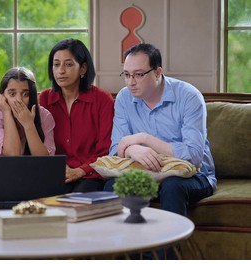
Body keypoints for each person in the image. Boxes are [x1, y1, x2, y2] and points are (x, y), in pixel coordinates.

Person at [103, 43, 216, 217]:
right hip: (144, 173)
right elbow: (115, 150)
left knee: (172, 187)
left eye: (138, 75)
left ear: (157, 72)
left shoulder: (189, 96)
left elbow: (194, 155)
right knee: (112, 186)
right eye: (126, 75)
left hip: (192, 175)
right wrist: (132, 148)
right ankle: (124, 244)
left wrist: (144, 139)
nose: (130, 82)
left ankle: (169, 245)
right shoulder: (124, 98)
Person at [39, 38, 114, 193]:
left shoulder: (102, 100)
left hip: (91, 175)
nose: (60, 70)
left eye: (68, 64)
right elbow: (41, 143)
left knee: (79, 199)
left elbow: (105, 149)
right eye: (56, 64)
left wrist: (81, 170)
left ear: (83, 68)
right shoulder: (44, 99)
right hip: (56, 173)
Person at [0, 67, 55, 156]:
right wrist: (7, 113)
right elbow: (13, 154)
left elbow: (45, 161)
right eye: (12, 94)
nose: (19, 99)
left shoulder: (44, 116)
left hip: (34, 169)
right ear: (2, 96)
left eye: (25, 94)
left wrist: (28, 124)